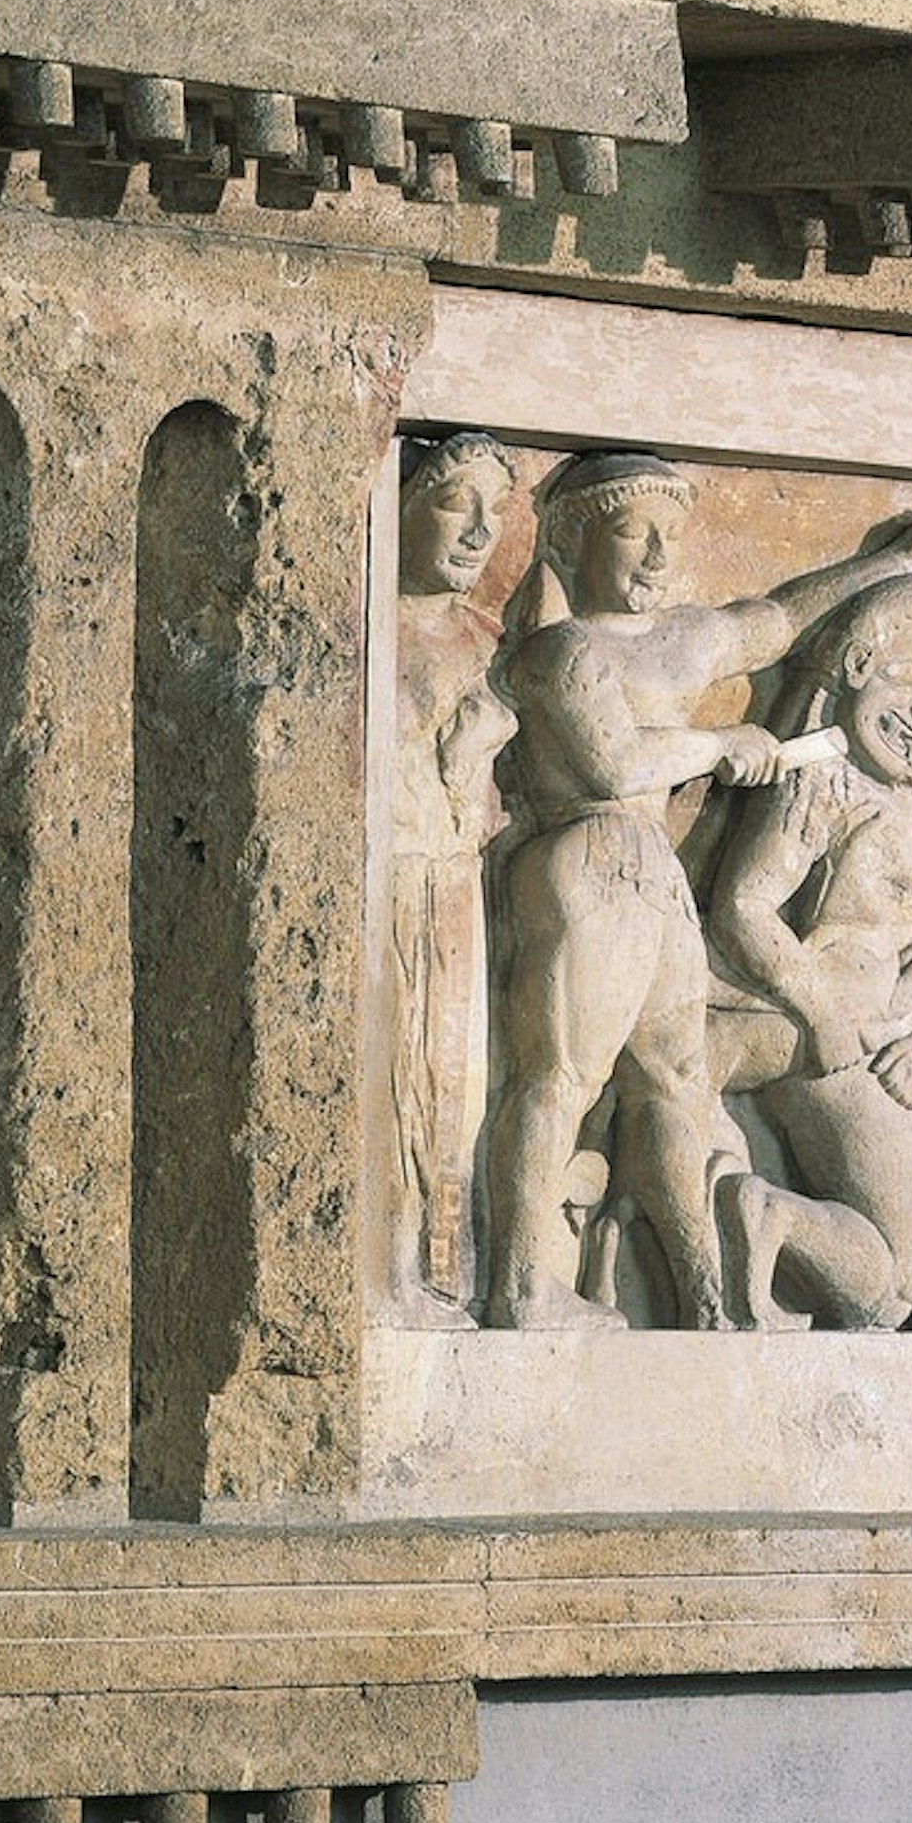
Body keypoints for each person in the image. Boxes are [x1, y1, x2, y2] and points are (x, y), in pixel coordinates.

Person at [474, 455, 912, 1328]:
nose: (659, 557)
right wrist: (718, 743)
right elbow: (613, 761)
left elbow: (772, 621)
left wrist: (899, 565)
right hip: (588, 853)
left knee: (676, 1081)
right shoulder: (561, 652)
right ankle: (517, 1282)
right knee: (563, 1073)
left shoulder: (677, 641)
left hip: (655, 880)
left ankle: (706, 1297)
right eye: (633, 533)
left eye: (672, 536)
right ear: (571, 539)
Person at [705, 570, 912, 1332]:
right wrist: (818, 1003)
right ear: (855, 676)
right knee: (885, 1297)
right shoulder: (827, 783)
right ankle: (767, 1214)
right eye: (902, 678)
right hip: (848, 1028)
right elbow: (744, 906)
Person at [383, 433, 516, 1320]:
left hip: (457, 878)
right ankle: (388, 1269)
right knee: (395, 1070)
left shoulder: (484, 637)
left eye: (495, 512)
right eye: (453, 502)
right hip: (392, 874)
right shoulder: (369, 615)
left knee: (457, 1081)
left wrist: (477, 754)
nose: (479, 531)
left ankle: (444, 1273)